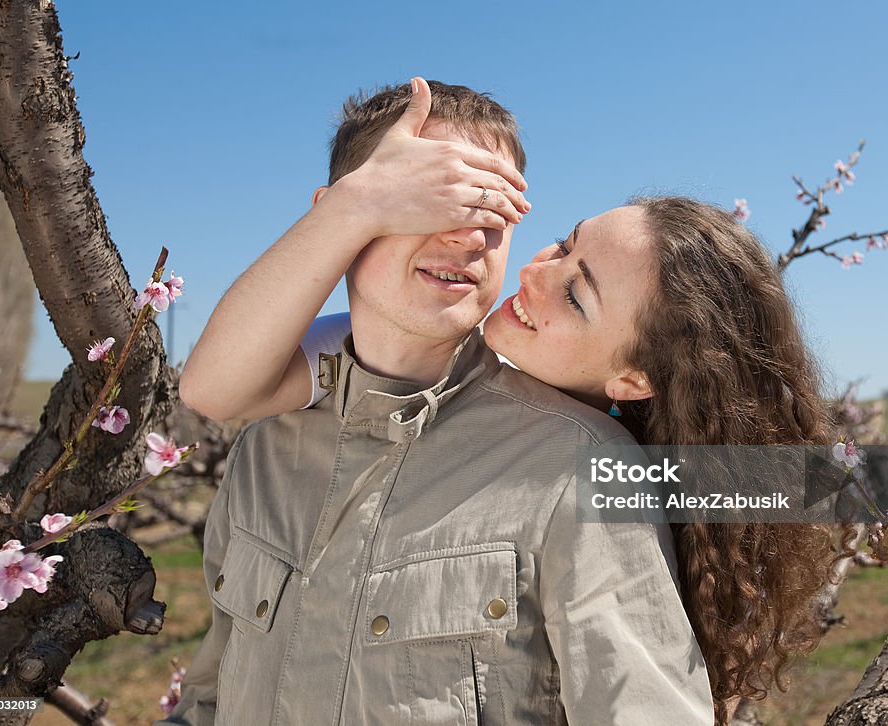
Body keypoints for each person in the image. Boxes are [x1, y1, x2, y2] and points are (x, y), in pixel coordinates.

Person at [164, 78, 713, 726]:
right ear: (338, 215)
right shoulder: (264, 449)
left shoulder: (576, 465)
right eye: (428, 202)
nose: (469, 238)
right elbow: (210, 696)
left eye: (494, 215)